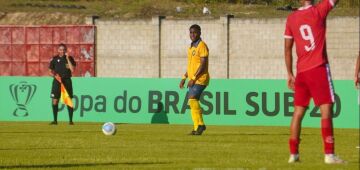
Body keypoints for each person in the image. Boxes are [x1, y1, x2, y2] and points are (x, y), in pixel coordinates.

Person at [284, 0, 345, 164]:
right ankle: (329, 154)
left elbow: (287, 48)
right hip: (318, 67)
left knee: (298, 113)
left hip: (301, 71)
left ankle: (293, 154)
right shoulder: (319, 11)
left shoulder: (292, 18)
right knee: (326, 110)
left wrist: (290, 73)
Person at [179, 24, 210, 135]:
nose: (192, 34)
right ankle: (197, 127)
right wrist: (184, 77)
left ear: (200, 33)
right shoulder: (191, 47)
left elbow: (202, 65)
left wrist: (193, 78)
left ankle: (201, 124)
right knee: (192, 102)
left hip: (201, 78)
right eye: (191, 32)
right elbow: (191, 65)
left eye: (195, 32)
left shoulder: (202, 46)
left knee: (192, 99)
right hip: (193, 79)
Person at [49, 43, 76, 125]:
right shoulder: (54, 59)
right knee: (55, 100)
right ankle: (55, 121)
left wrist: (67, 58)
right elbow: (50, 72)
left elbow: (72, 70)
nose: (62, 51)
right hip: (57, 81)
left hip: (67, 81)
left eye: (64, 50)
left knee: (68, 100)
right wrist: (55, 76)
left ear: (66, 50)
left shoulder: (70, 58)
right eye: (60, 49)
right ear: (58, 50)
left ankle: (71, 121)